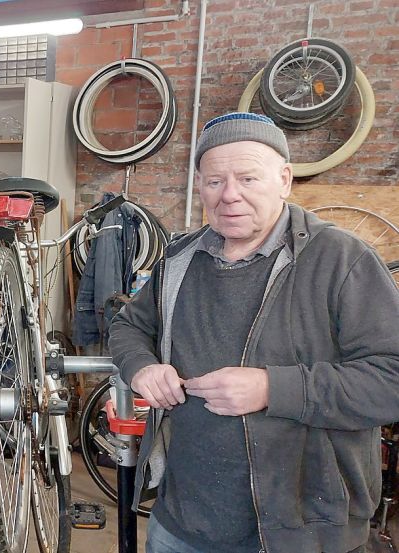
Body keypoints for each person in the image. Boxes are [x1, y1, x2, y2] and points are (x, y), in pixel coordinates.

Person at [109, 111, 399, 553]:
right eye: (213, 182)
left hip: (300, 531)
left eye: (248, 179)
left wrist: (273, 387)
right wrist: (142, 366)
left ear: (283, 180)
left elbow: (392, 379)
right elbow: (130, 325)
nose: (229, 196)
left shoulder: (342, 260)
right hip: (180, 522)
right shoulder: (180, 257)